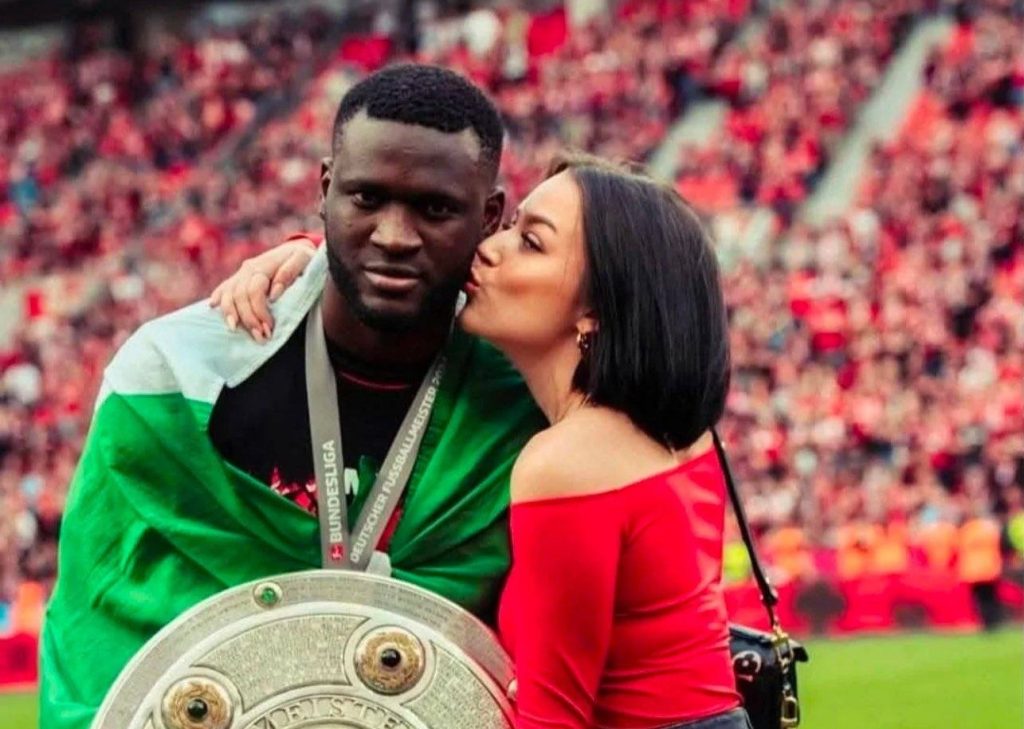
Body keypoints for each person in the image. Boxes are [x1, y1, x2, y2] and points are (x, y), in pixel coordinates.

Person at [39, 64, 547, 729]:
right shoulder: (179, 375)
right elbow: (97, 623)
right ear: (325, 190)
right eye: (367, 198)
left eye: (435, 209)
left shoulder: (529, 395)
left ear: (491, 216)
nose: (394, 236)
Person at [220, 153, 749, 728]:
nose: (490, 248)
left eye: (531, 242)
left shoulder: (565, 463)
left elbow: (553, 719)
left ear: (595, 312)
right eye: (512, 225)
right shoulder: (663, 426)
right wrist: (313, 258)